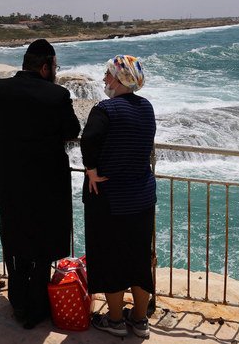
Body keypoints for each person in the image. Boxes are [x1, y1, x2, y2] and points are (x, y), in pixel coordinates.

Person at [0, 39, 81, 329]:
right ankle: (37, 306)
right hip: (46, 184)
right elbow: (72, 130)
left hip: (9, 181)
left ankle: (19, 302)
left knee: (15, 235)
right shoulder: (57, 95)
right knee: (43, 242)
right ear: (46, 66)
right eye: (55, 66)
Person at [80, 55, 156, 338]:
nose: (104, 79)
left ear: (119, 79)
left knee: (111, 258)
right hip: (142, 197)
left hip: (110, 198)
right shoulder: (146, 108)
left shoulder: (105, 109)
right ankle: (139, 320)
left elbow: (88, 140)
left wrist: (91, 169)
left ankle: (114, 321)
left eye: (108, 75)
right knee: (138, 259)